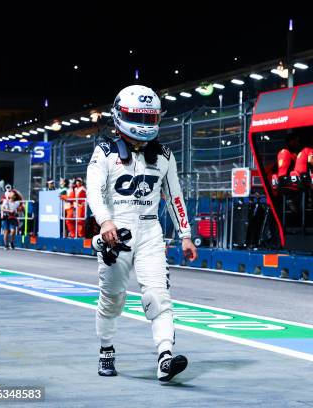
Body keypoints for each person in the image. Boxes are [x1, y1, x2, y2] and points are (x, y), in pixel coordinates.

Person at [86, 84, 197, 381]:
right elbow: (94, 192)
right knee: (112, 298)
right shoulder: (105, 152)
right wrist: (106, 221)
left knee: (157, 296)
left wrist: (185, 234)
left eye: (151, 119)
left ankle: (164, 357)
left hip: (150, 231)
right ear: (120, 115)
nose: (146, 125)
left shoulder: (164, 155)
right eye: (140, 118)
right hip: (116, 233)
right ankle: (106, 350)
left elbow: (175, 196)